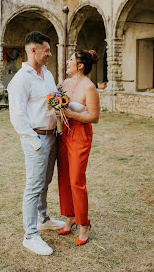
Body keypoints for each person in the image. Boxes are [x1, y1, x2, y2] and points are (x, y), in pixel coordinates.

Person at [7, 31, 65, 256]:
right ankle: (30, 235)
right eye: (47, 50)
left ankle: (43, 219)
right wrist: (36, 143)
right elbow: (17, 117)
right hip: (37, 138)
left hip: (52, 135)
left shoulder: (47, 75)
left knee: (45, 181)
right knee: (33, 187)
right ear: (33, 50)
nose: (50, 54)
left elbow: (52, 98)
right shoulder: (21, 80)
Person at [57, 49, 99, 246]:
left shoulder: (89, 87)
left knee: (76, 181)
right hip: (63, 133)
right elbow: (61, 105)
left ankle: (84, 225)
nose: (67, 61)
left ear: (80, 66)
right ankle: (70, 216)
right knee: (64, 178)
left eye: (71, 59)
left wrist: (70, 115)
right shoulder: (65, 84)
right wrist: (57, 110)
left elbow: (94, 117)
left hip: (80, 134)